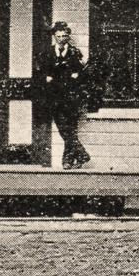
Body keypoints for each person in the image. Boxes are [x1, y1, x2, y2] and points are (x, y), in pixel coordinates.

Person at [34, 21, 92, 170]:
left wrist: (76, 75)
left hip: (71, 98)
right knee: (64, 129)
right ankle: (82, 154)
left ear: (68, 36)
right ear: (54, 36)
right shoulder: (47, 53)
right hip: (54, 98)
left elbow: (82, 75)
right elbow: (41, 74)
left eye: (64, 36)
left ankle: (69, 161)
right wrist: (46, 77)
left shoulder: (75, 53)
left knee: (70, 129)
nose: (61, 38)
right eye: (58, 36)